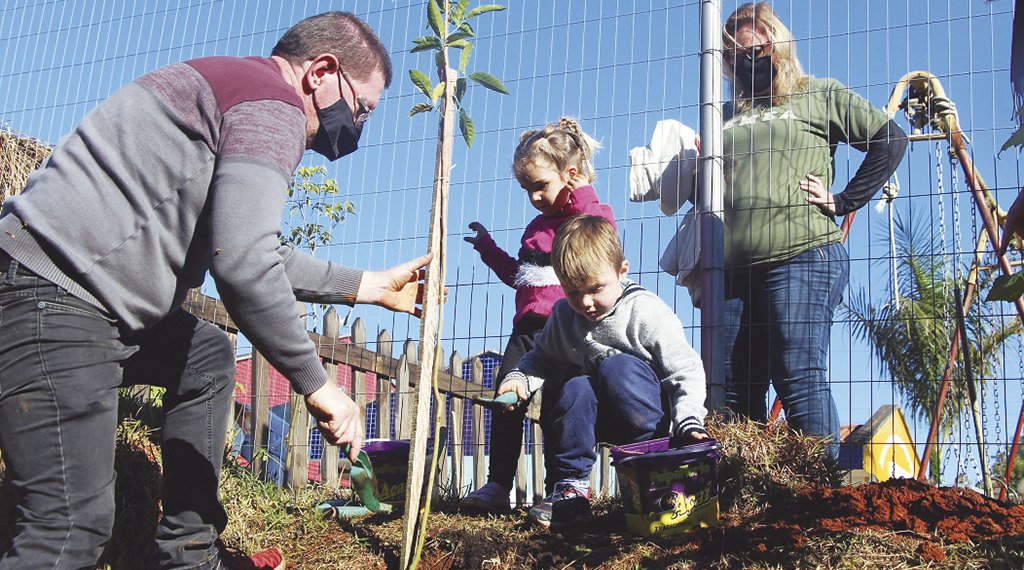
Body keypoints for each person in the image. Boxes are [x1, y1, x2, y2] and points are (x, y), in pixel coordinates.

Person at [0, 12, 432, 570]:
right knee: (67, 528)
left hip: (73, 294)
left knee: (203, 355)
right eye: (362, 107)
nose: (358, 126)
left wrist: (367, 287)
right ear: (322, 72)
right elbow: (245, 264)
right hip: (54, 297)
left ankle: (189, 552)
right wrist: (318, 384)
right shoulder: (272, 105)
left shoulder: (236, 90)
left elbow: (251, 248)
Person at [718, 3, 907, 446]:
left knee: (797, 373)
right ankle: (750, 494)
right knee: (730, 386)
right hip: (731, 270)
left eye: (755, 49)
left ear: (777, 46)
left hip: (802, 255)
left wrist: (844, 201)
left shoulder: (816, 94)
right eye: (733, 55)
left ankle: (822, 496)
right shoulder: (723, 114)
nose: (745, 60)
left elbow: (889, 139)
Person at [497, 215, 709, 529]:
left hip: (649, 415)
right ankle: (572, 489)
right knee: (574, 386)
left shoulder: (644, 312)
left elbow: (685, 370)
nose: (585, 302)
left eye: (595, 289)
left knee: (616, 367)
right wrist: (517, 379)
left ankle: (652, 464)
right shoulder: (564, 315)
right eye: (572, 292)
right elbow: (540, 359)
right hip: (601, 416)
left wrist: (688, 420)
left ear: (622, 271)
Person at [460, 118, 617, 514]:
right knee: (507, 399)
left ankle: (557, 490)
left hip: (564, 330)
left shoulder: (585, 219)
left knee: (558, 409)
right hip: (527, 331)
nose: (533, 197)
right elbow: (521, 277)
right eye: (527, 189)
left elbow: (600, 230)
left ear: (571, 175)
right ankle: (498, 484)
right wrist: (488, 249)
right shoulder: (534, 229)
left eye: (540, 186)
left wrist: (582, 191)